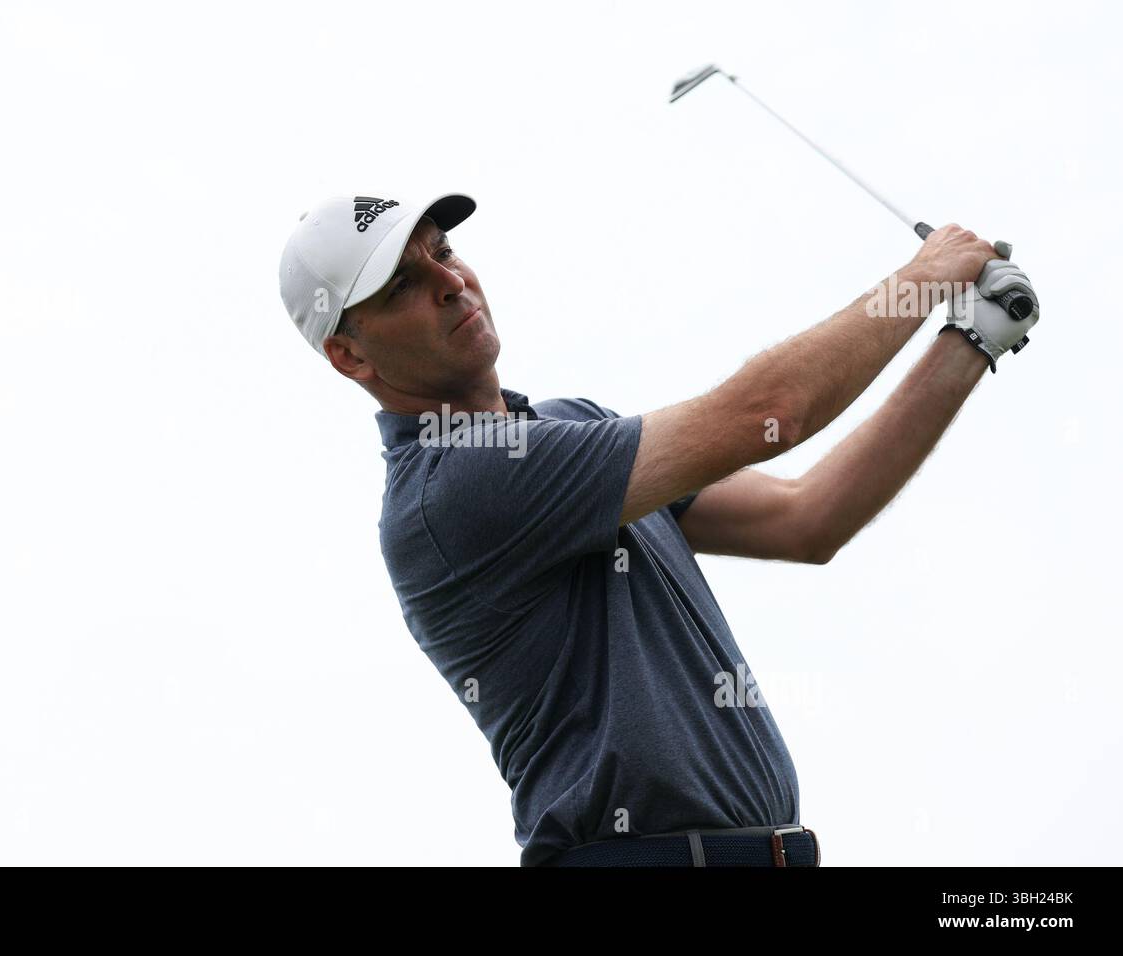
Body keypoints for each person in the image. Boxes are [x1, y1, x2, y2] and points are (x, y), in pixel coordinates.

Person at [277, 192, 1039, 866]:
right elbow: (766, 414)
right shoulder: (455, 486)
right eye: (402, 285)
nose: (449, 282)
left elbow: (808, 518)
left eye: (442, 251)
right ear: (348, 355)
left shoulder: (564, 429)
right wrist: (921, 281)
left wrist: (970, 340)